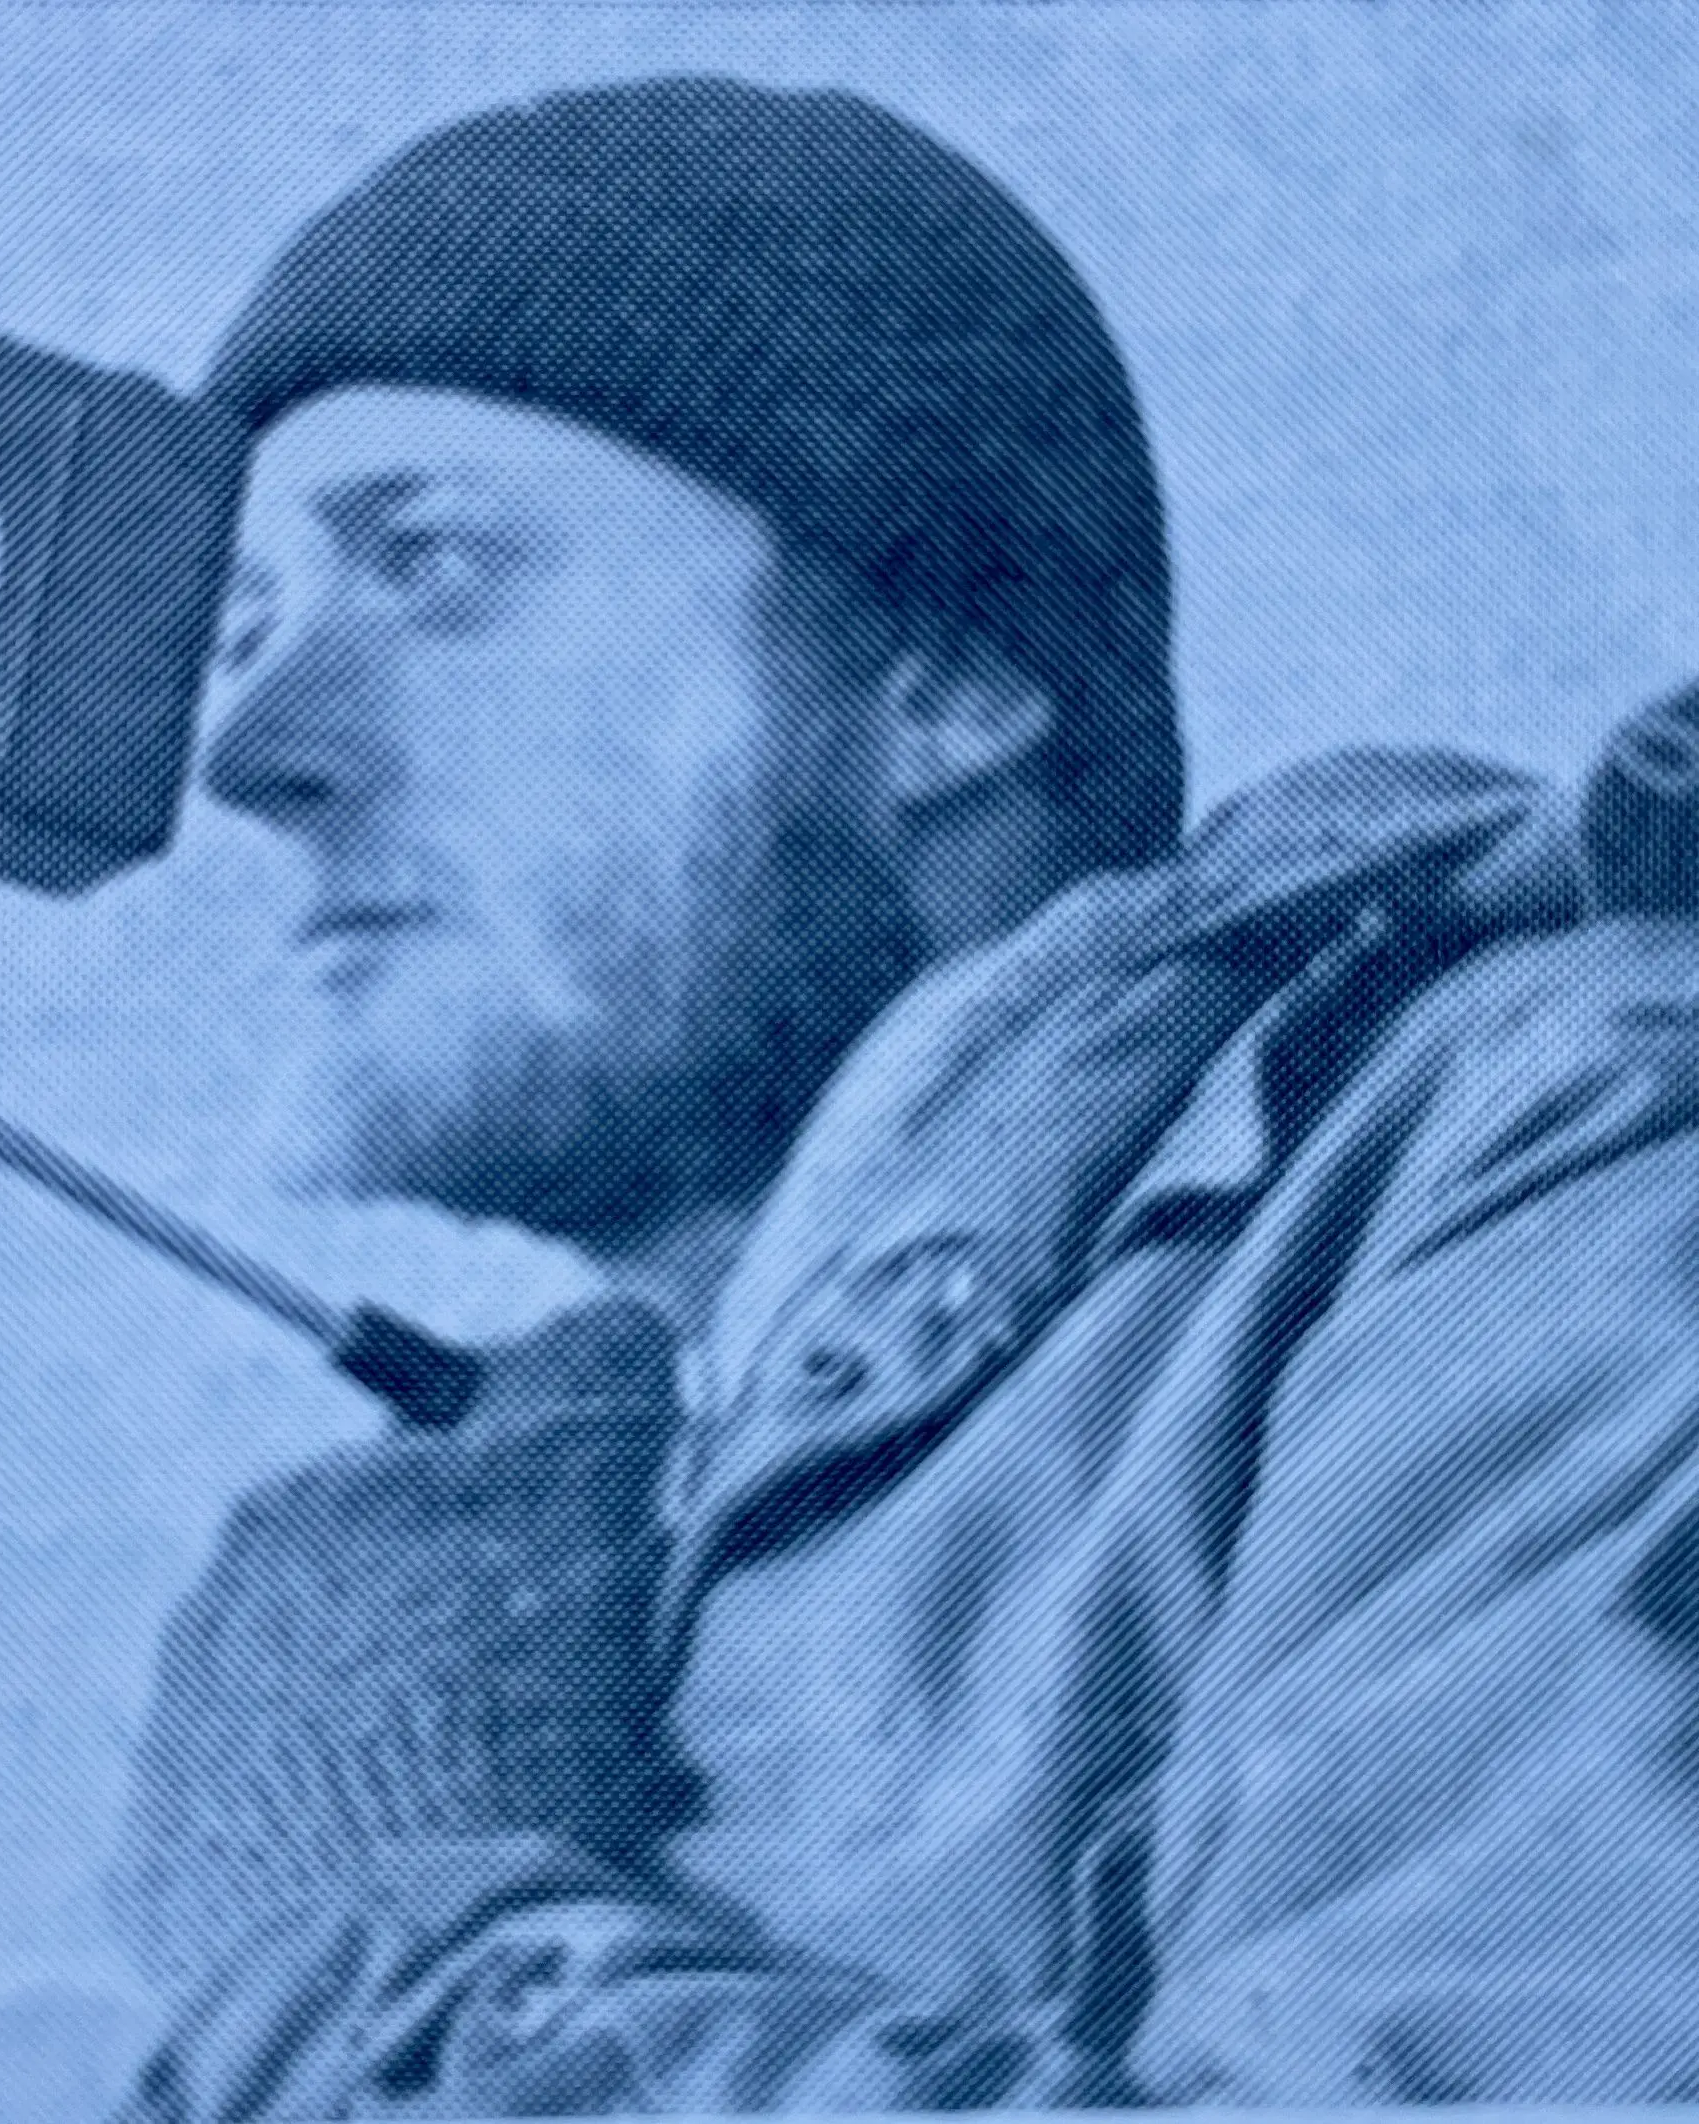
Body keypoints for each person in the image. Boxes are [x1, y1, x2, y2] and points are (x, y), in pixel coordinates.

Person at [106, 76, 1699, 2115]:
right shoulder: (607, 1519)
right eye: (244, 622)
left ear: (947, 682)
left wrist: (385, 1965)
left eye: (427, 566)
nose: (243, 745)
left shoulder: (1544, 1148)